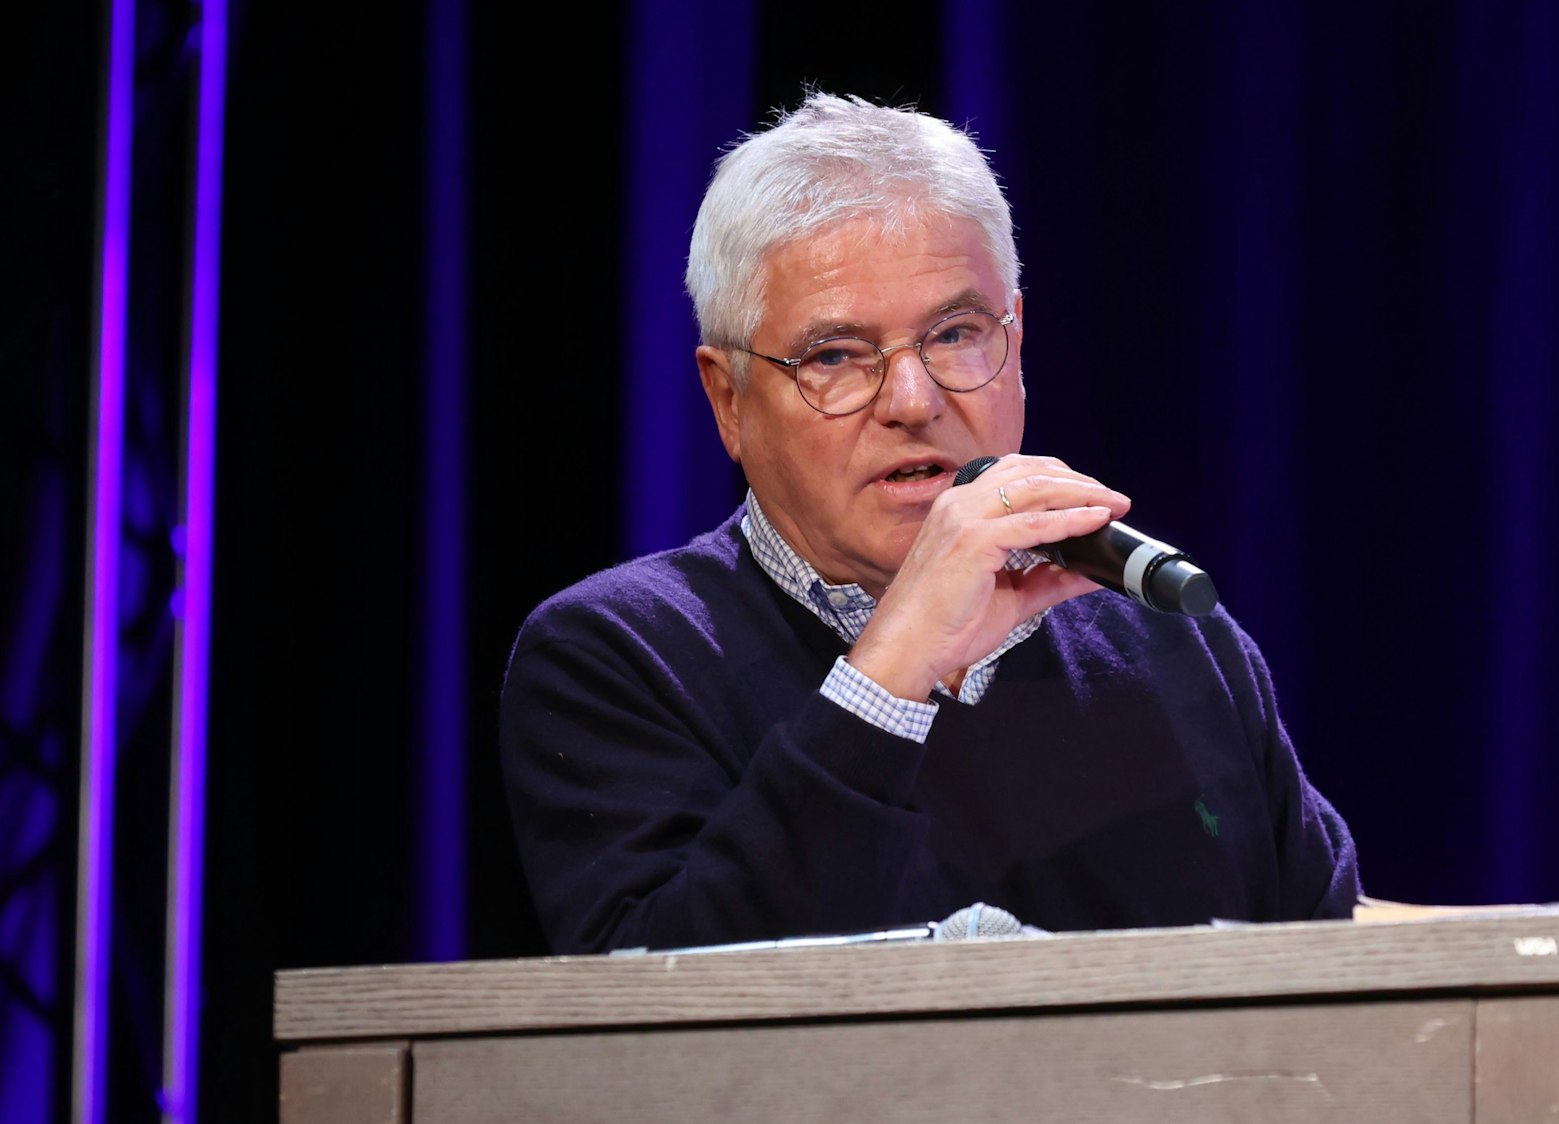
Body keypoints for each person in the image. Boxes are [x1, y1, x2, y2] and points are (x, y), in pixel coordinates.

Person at [499, 93, 1359, 954]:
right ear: (729, 399)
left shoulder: (1171, 643)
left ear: (1015, 346)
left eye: (954, 335)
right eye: (835, 356)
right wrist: (896, 664)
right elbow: (664, 1022)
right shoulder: (616, 658)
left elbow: (1335, 976)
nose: (913, 402)